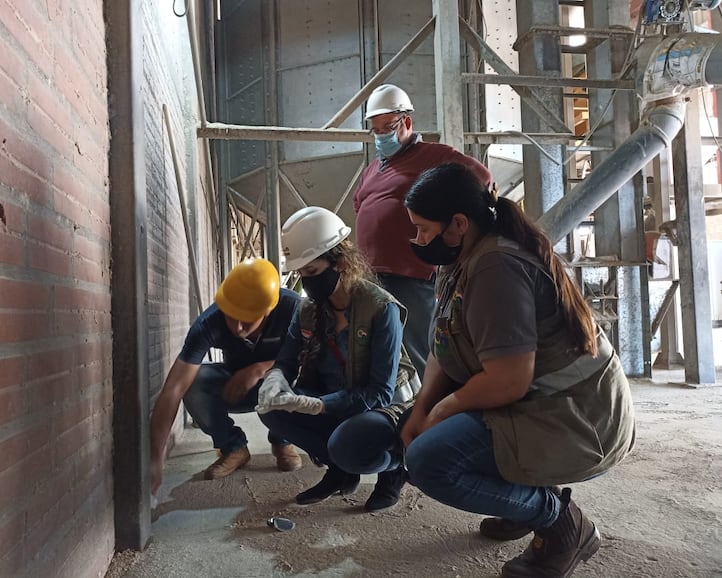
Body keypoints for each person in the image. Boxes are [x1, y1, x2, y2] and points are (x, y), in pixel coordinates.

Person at [400, 163, 636, 577]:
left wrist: (439, 413)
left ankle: (560, 523)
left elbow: (508, 380)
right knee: (419, 429)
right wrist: (422, 408)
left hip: (579, 418)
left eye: (422, 228)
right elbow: (444, 344)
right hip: (534, 403)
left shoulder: (496, 266)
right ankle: (518, 498)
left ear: (458, 223)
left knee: (429, 461)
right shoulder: (459, 257)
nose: (417, 240)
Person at [255, 206, 419, 511]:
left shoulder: (381, 309)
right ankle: (341, 471)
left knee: (345, 444)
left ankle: (394, 468)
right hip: (337, 395)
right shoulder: (308, 309)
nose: (305, 281)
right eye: (300, 273)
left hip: (384, 406)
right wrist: (276, 378)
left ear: (341, 263)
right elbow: (287, 360)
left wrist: (319, 405)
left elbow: (379, 391)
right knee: (270, 410)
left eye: (312, 272)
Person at [353, 83, 491, 380]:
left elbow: (481, 176)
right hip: (372, 277)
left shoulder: (432, 156)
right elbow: (360, 206)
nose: (381, 136)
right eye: (375, 131)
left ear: (407, 123)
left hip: (411, 276)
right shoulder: (373, 169)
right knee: (383, 351)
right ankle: (400, 409)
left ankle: (434, 408)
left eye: (387, 128)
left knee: (422, 351)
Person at [149, 258, 302, 494]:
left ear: (268, 310)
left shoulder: (293, 309)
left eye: (248, 319)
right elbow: (173, 390)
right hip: (235, 388)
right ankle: (233, 448)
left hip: (280, 385)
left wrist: (260, 369)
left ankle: (283, 441)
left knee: (298, 377)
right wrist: (155, 459)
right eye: (232, 315)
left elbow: (312, 357)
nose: (238, 328)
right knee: (194, 382)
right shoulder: (209, 323)